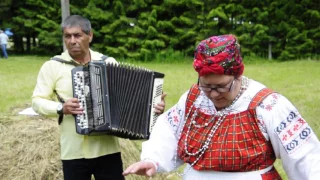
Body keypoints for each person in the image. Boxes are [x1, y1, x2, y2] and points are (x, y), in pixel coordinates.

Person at [123, 34, 320, 180]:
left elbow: (305, 156)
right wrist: (153, 160)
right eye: (207, 86)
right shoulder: (194, 98)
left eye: (222, 86)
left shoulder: (267, 105)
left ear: (238, 75)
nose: (214, 94)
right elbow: (169, 131)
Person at [32, 15, 166, 180]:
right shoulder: (52, 66)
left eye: (77, 35)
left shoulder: (108, 62)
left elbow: (129, 99)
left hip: (107, 149)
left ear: (90, 36)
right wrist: (61, 108)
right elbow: (37, 101)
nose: (72, 41)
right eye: (67, 36)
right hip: (73, 151)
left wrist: (153, 107)